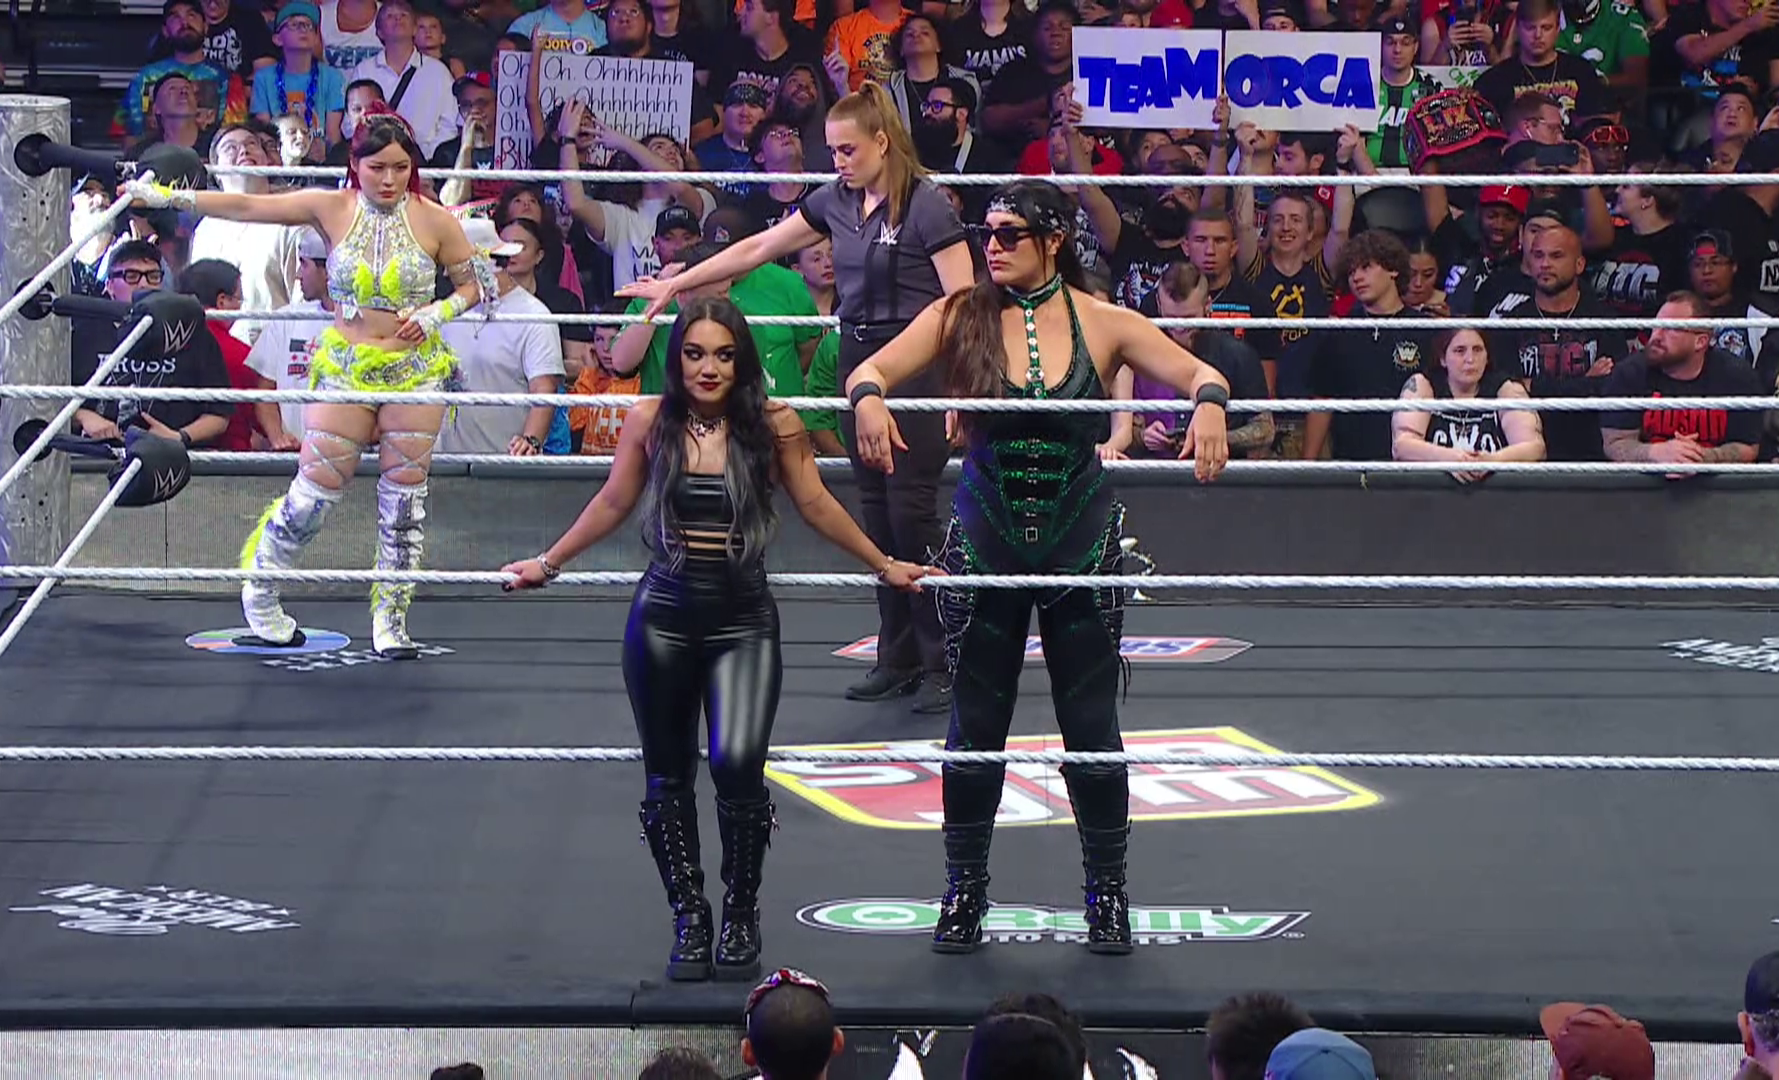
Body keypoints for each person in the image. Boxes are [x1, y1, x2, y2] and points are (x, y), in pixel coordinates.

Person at [499, 297, 936, 983]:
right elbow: (613, 501)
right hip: (664, 616)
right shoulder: (650, 419)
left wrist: (885, 565)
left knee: (737, 766)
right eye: (696, 354)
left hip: (743, 616)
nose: (709, 368)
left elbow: (816, 503)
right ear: (677, 359)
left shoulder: (774, 423)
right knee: (667, 774)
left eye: (724, 355)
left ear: (743, 361)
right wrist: (547, 563)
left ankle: (739, 909)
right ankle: (689, 914)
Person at [844, 180, 1230, 954]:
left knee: (1092, 727)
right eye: (986, 232)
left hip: (1077, 540)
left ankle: (1108, 894)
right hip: (986, 539)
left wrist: (1212, 404)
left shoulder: (1103, 319)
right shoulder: (960, 314)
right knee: (974, 725)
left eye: (1009, 233)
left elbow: (1200, 372)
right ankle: (963, 892)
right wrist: (868, 399)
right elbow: (869, 370)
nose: (991, 246)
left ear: (1054, 240)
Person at [620, 82, 975, 714]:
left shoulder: (926, 206)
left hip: (916, 363)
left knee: (913, 511)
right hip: (857, 359)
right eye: (832, 150)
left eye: (847, 149)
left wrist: (960, 388)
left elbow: (962, 304)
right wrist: (679, 283)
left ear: (882, 143)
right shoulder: (836, 199)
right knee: (876, 511)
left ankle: (945, 657)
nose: (836, 160)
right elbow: (758, 247)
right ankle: (897, 656)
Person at [122, 103, 495, 657]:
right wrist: (169, 199)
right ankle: (261, 588)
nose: (389, 179)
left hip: (415, 372)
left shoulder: (435, 218)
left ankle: (391, 618)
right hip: (345, 367)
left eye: (400, 167)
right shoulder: (331, 205)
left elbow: (472, 286)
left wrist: (437, 313)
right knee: (314, 492)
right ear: (356, 165)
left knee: (404, 503)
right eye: (377, 168)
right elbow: (250, 205)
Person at [1391, 328, 1546, 481]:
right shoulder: (1423, 385)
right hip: (1433, 492)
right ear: (1443, 358)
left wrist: (1493, 460)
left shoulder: (1506, 388)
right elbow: (1402, 446)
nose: (1470, 359)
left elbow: (1535, 447)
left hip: (1493, 493)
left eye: (1477, 350)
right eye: (1460, 351)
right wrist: (1449, 458)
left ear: (1487, 357)